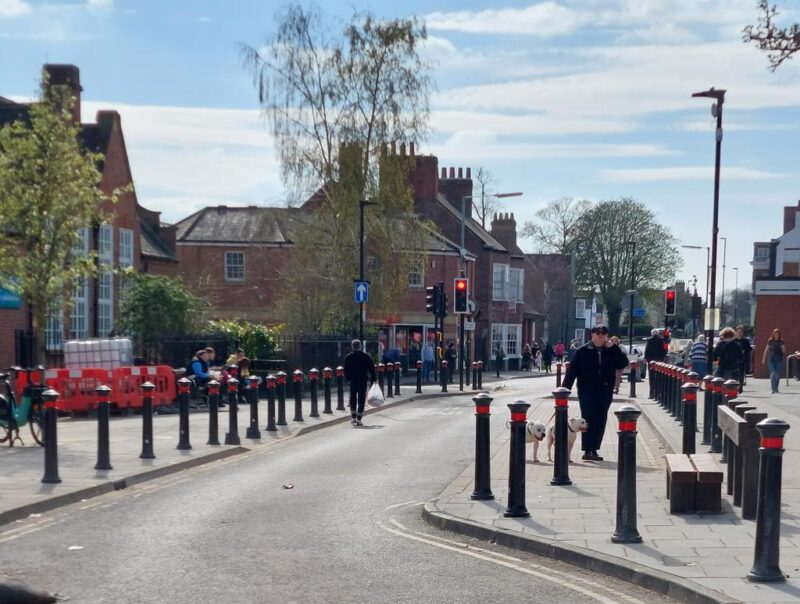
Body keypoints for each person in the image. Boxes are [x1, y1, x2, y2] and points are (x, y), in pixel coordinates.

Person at [562, 325, 629, 461]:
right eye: (598, 333)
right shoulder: (582, 351)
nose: (601, 335)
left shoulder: (611, 351)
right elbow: (572, 372)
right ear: (592, 335)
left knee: (600, 419)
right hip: (586, 391)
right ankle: (587, 450)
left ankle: (594, 449)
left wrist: (614, 348)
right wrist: (564, 390)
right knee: (587, 418)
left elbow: (623, 363)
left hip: (605, 391)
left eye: (604, 333)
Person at [343, 339, 376, 426]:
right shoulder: (366, 356)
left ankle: (353, 417)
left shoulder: (348, 357)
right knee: (361, 399)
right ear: (360, 346)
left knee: (353, 398)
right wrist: (374, 379)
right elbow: (371, 368)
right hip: (362, 380)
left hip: (353, 381)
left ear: (352, 346)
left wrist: (348, 378)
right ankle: (359, 419)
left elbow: (345, 369)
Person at [762, 328, 786, 394]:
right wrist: (763, 359)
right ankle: (773, 389)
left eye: (777, 334)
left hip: (779, 359)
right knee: (773, 374)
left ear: (779, 334)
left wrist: (783, 348)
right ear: (773, 334)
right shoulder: (770, 341)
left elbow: (784, 351)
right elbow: (766, 350)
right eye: (775, 333)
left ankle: (776, 388)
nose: (776, 335)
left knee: (778, 375)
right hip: (771, 359)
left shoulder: (781, 341)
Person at [734, 326, 752, 393]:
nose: (739, 333)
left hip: (742, 360)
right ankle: (735, 386)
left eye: (741, 332)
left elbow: (749, 350)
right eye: (738, 332)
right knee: (735, 374)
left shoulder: (745, 341)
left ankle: (740, 386)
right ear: (736, 332)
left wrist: (745, 353)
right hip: (734, 360)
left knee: (741, 374)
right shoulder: (733, 341)